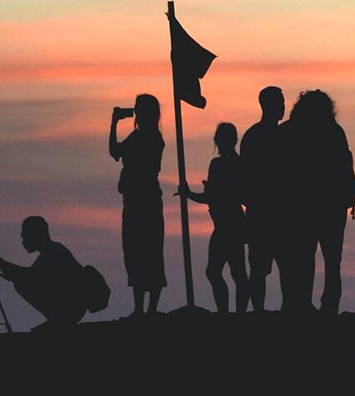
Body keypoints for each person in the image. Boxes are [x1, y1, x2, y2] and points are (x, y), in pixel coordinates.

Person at [280, 90, 355, 313]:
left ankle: (304, 302)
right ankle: (328, 304)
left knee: (304, 256)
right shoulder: (334, 131)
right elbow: (345, 164)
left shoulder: (288, 131)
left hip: (301, 205)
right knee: (332, 260)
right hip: (330, 204)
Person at [0, 216, 94, 331]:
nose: (23, 242)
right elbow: (30, 276)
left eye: (25, 237)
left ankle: (58, 320)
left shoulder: (53, 253)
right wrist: (0, 263)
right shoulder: (53, 250)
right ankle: (56, 319)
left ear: (36, 235)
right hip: (72, 305)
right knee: (22, 283)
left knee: (22, 285)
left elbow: (28, 278)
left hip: (70, 307)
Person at [179, 123, 249, 313]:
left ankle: (231, 313)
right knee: (227, 272)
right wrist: (192, 193)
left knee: (229, 272)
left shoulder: (223, 165)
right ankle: (230, 312)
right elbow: (214, 196)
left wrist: (191, 194)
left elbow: (214, 196)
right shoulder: (232, 163)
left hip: (229, 223)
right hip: (227, 223)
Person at [109, 94, 165, 315]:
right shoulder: (146, 137)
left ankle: (147, 309)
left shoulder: (146, 138)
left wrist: (113, 123)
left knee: (144, 251)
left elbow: (115, 152)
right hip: (137, 200)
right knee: (138, 252)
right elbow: (116, 152)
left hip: (143, 201)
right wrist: (114, 124)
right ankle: (143, 309)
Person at [239, 87, 285, 311]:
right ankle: (260, 310)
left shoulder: (253, 135)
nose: (283, 107)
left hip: (268, 210)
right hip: (269, 211)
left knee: (268, 268)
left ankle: (263, 310)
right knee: (262, 268)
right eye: (280, 102)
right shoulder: (279, 136)